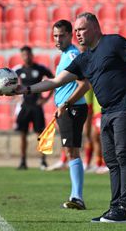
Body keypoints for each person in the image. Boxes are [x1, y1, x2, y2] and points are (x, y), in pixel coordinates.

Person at [13, 12, 126, 223]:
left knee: (124, 156)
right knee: (112, 162)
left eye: (81, 29)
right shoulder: (84, 58)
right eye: (75, 30)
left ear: (95, 28)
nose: (77, 34)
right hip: (106, 112)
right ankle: (115, 208)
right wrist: (25, 89)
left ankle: (124, 209)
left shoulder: (113, 42)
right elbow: (55, 81)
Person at [49, 20, 89, 209]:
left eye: (61, 35)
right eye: (55, 35)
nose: (58, 39)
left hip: (72, 109)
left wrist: (66, 104)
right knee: (71, 151)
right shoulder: (66, 55)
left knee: (72, 152)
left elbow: (85, 84)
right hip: (67, 109)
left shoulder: (73, 55)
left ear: (70, 35)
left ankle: (77, 197)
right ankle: (75, 195)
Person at [14, 45, 54, 170]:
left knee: (40, 134)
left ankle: (43, 161)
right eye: (24, 55)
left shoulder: (40, 69)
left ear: (32, 55)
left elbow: (54, 81)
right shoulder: (19, 71)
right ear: (21, 56)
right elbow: (11, 85)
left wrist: (46, 99)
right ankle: (23, 161)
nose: (26, 57)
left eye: (28, 54)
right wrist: (17, 97)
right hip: (25, 106)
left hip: (37, 106)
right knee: (22, 134)